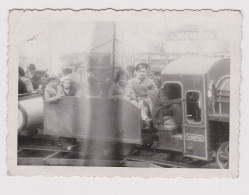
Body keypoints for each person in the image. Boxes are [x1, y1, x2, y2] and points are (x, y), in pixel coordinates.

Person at [129, 63, 157, 127]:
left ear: (146, 72)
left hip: (146, 101)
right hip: (135, 101)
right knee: (136, 105)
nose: (142, 73)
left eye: (144, 72)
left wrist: (147, 100)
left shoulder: (150, 81)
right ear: (137, 72)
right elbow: (129, 91)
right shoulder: (131, 81)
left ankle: (146, 124)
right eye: (140, 71)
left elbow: (154, 93)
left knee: (142, 106)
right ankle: (146, 121)